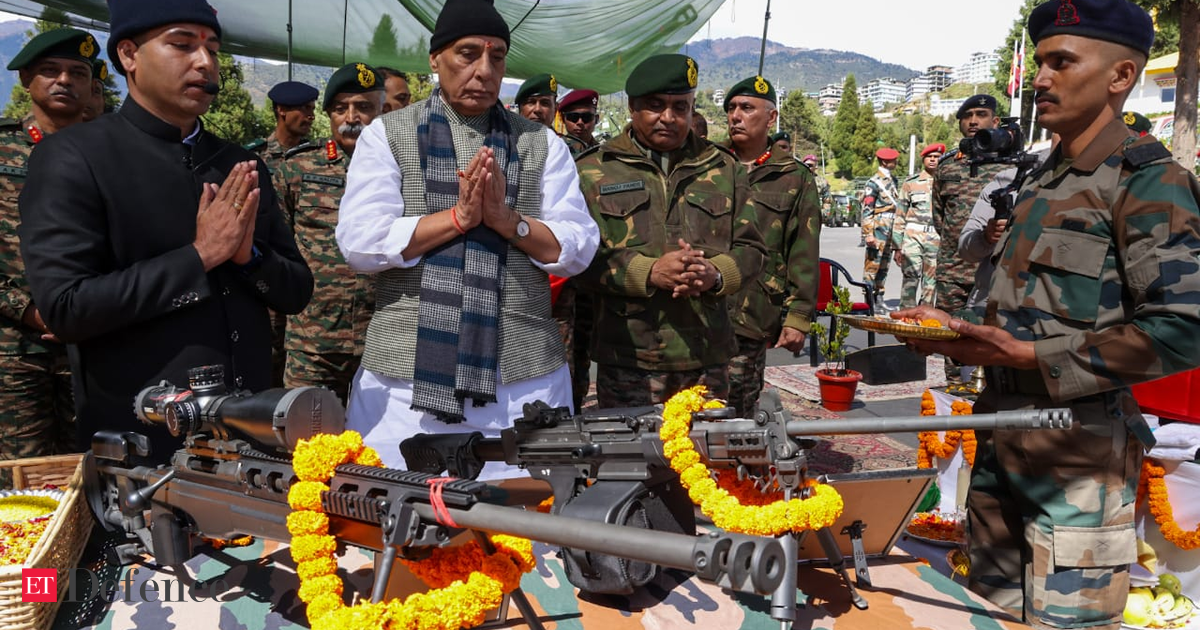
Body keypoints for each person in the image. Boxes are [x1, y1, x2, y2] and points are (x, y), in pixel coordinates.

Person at [898, 0, 1200, 626]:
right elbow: (1026, 307)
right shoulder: (1041, 179)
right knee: (988, 613)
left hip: (1078, 457)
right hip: (1000, 431)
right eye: (1039, 62)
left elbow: (1184, 328)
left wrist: (1033, 357)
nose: (1040, 78)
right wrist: (956, 331)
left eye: (1062, 62)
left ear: (1120, 76)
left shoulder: (1147, 182)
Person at [17, 0, 313, 460]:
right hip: (143, 445)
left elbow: (295, 292)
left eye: (212, 48)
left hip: (249, 439)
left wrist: (248, 258)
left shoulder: (239, 162)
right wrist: (200, 256)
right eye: (182, 44)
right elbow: (67, 308)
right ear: (129, 56)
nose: (204, 62)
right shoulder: (75, 157)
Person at [335, 0, 598, 476]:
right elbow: (361, 240)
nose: (484, 70)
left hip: (523, 384)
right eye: (468, 53)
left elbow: (575, 247)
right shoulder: (388, 135)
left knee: (523, 536)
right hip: (403, 384)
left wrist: (507, 221)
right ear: (435, 60)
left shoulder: (540, 143)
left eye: (497, 57)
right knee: (400, 524)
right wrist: (457, 219)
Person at [576, 53, 765, 408]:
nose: (669, 117)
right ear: (632, 107)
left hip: (707, 355)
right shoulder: (593, 170)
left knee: (705, 458)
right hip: (629, 359)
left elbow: (753, 250)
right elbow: (575, 259)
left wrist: (716, 274)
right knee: (633, 460)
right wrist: (648, 272)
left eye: (681, 107)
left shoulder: (724, 167)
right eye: (655, 105)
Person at [0, 28, 96, 469]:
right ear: (25, 80)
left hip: (97, 342)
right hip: (17, 349)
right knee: (26, 475)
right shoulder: (4, 150)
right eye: (50, 71)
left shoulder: (112, 151)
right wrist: (30, 311)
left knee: (97, 469)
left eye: (78, 72)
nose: (65, 81)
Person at [273, 63, 382, 405]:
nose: (352, 117)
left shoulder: (403, 171)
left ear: (383, 111)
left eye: (364, 107)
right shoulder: (296, 170)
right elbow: (278, 257)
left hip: (381, 346)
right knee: (306, 446)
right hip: (313, 348)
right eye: (340, 108)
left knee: (379, 452)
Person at [722, 75, 821, 416]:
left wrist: (797, 317)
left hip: (753, 309)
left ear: (771, 117)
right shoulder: (709, 166)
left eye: (747, 108)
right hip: (700, 308)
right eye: (731, 108)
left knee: (738, 407)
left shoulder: (794, 178)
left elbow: (803, 251)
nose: (736, 115)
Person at [932, 93, 1007, 382]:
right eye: (967, 115)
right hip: (952, 268)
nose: (974, 120)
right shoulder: (948, 165)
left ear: (995, 121)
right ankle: (955, 393)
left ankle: (989, 394)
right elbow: (939, 216)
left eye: (981, 114)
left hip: (992, 269)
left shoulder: (1009, 165)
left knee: (993, 335)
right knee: (950, 335)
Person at [892, 143, 943, 308]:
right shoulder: (911, 183)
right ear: (924, 159)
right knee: (910, 276)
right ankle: (906, 313)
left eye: (937, 157)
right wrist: (897, 246)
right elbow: (900, 215)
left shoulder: (946, 183)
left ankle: (925, 313)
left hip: (936, 236)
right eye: (930, 157)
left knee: (931, 279)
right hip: (913, 236)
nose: (933, 160)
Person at [246, 80, 319, 174]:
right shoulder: (254, 156)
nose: (312, 116)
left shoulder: (316, 155)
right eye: (305, 108)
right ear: (282, 110)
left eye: (312, 109)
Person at [860, 147, 900, 310]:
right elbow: (867, 209)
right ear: (885, 162)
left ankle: (879, 298)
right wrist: (868, 234)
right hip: (878, 228)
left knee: (884, 265)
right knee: (872, 266)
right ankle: (868, 301)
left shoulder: (893, 180)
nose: (896, 162)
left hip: (890, 228)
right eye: (893, 160)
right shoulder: (873, 182)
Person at [557, 88, 599, 157]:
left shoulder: (603, 151)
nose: (580, 122)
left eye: (586, 117)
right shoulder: (556, 149)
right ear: (563, 119)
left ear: (596, 119)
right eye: (573, 117)